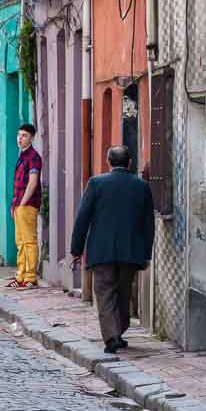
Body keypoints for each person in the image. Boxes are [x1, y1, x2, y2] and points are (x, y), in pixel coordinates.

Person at [70, 145, 155, 354]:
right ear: (129, 163)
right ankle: (118, 331)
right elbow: (148, 223)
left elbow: (83, 218)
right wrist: (146, 253)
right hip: (130, 250)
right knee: (123, 292)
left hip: (102, 250)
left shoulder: (96, 184)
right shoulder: (141, 186)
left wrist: (76, 249)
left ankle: (112, 336)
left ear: (108, 162)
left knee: (105, 293)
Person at [8, 123, 42, 289]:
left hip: (28, 205)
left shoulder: (34, 157)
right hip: (19, 205)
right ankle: (20, 276)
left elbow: (33, 182)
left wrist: (22, 203)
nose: (20, 138)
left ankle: (31, 277)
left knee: (29, 241)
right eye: (19, 135)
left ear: (32, 138)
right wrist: (14, 205)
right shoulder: (21, 156)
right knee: (20, 242)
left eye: (25, 136)